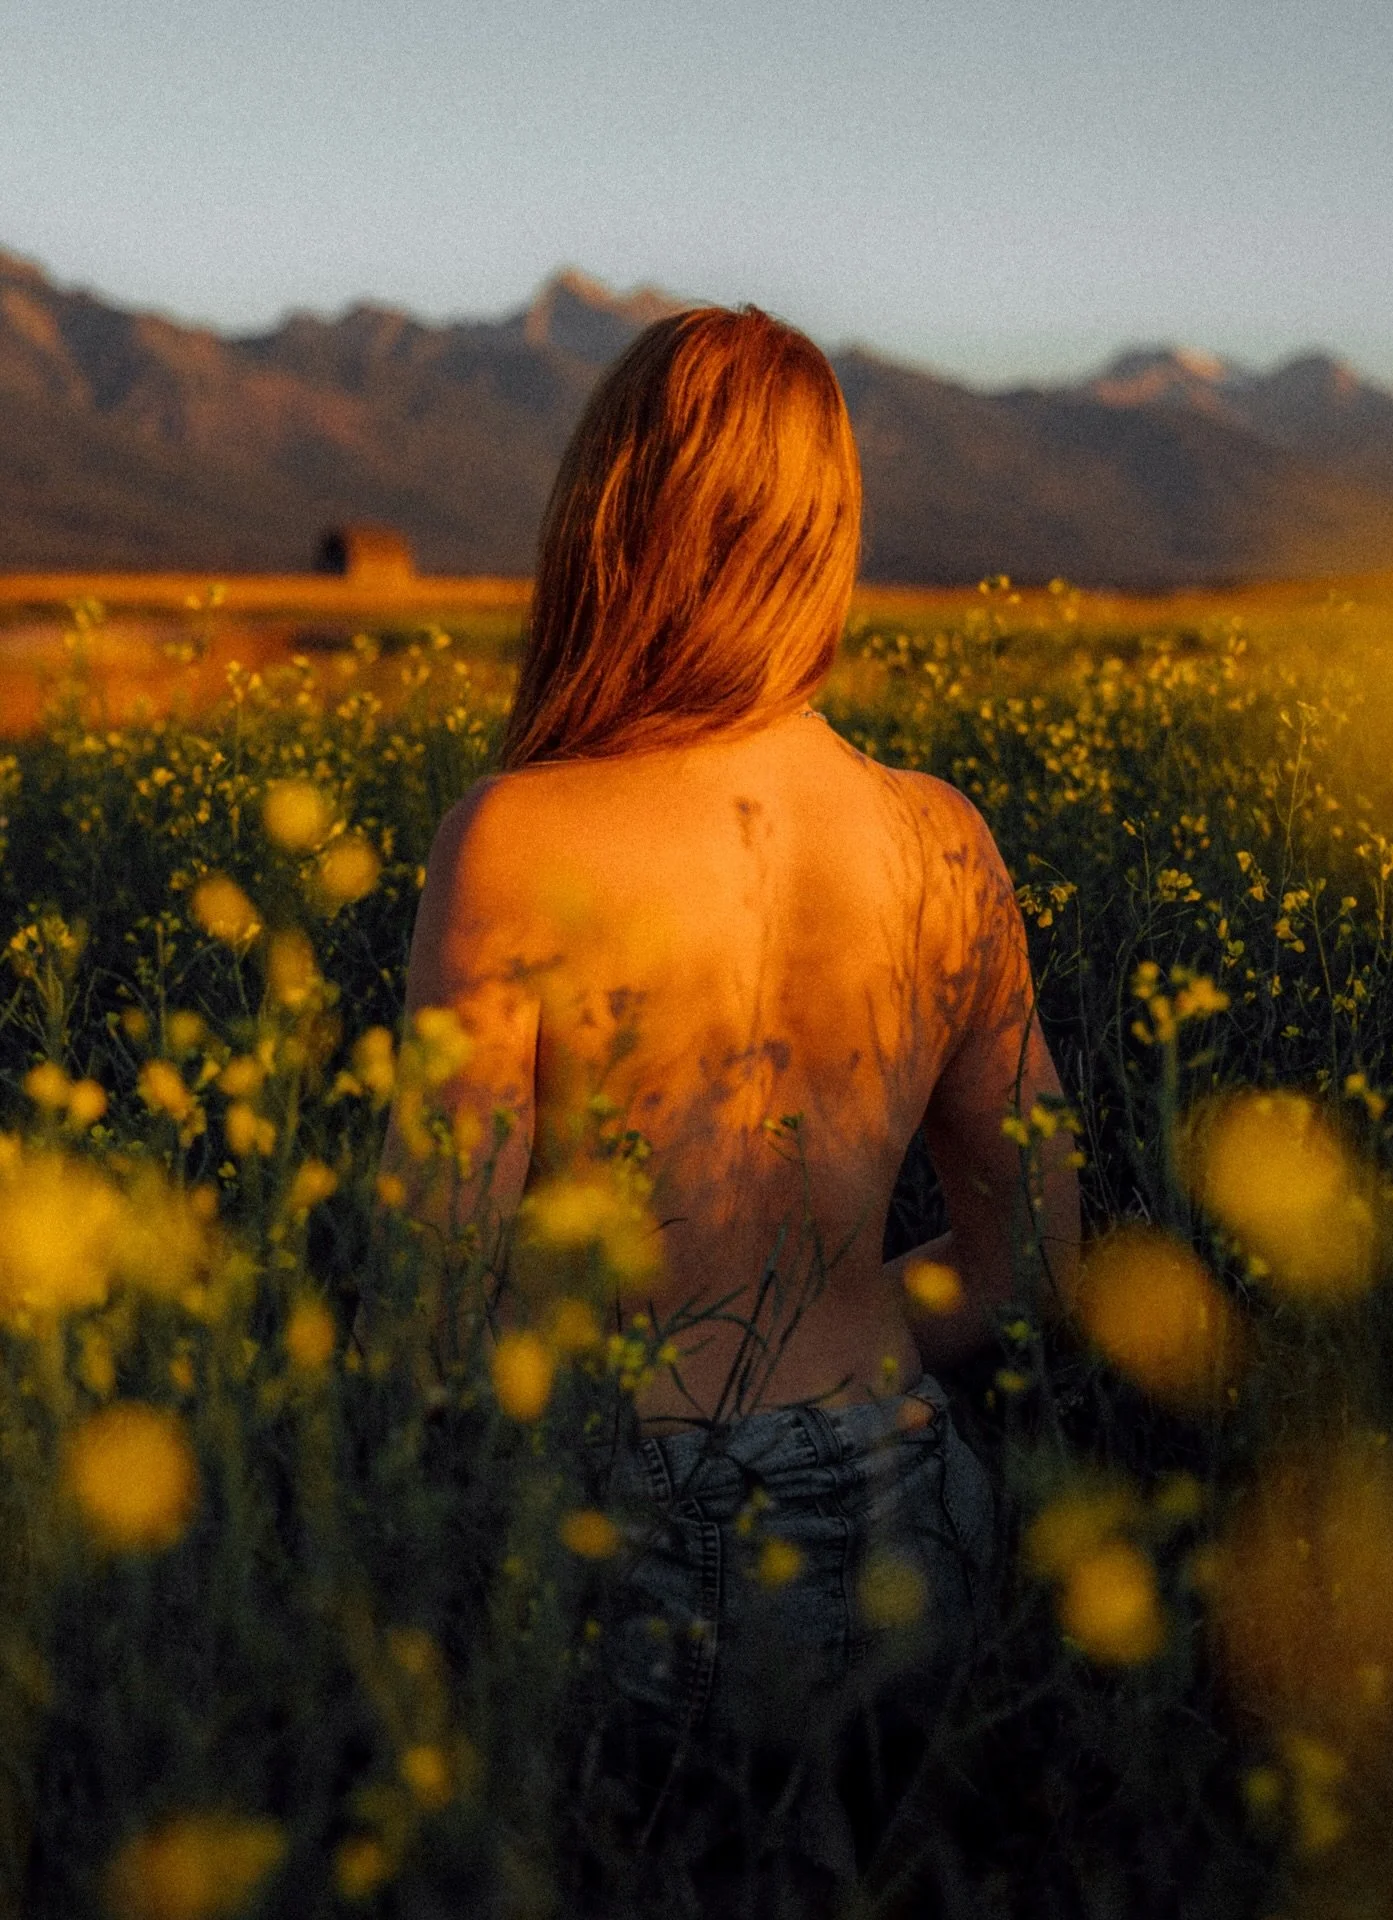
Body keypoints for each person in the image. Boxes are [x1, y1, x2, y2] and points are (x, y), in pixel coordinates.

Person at [383, 304, 1081, 1908]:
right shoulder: (942, 841)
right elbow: (1030, 1261)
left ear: (610, 520)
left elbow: (429, 1313)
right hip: (927, 1508)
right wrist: (842, 1361)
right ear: (825, 536)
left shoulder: (516, 840)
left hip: (645, 1547)